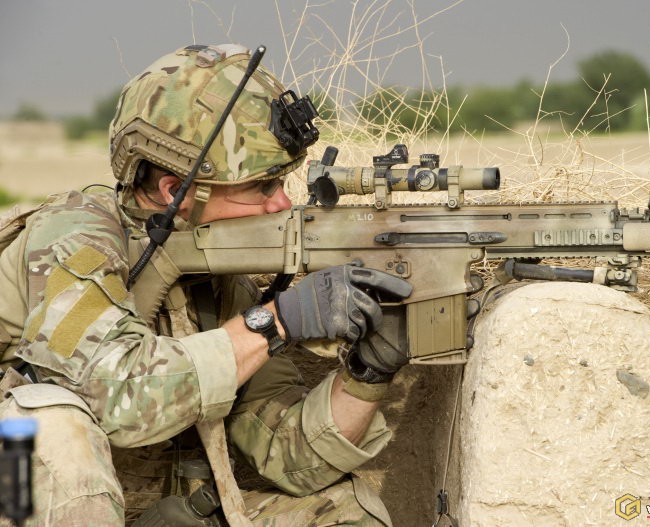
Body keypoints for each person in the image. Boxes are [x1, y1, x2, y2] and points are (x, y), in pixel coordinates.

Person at [0, 43, 411, 526]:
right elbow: (114, 394)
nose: (282, 204)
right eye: (262, 187)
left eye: (283, 183)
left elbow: (290, 456)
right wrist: (275, 323)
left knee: (342, 513)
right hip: (29, 503)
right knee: (49, 429)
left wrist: (369, 370)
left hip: (153, 513)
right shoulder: (73, 238)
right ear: (176, 190)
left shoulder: (214, 277)